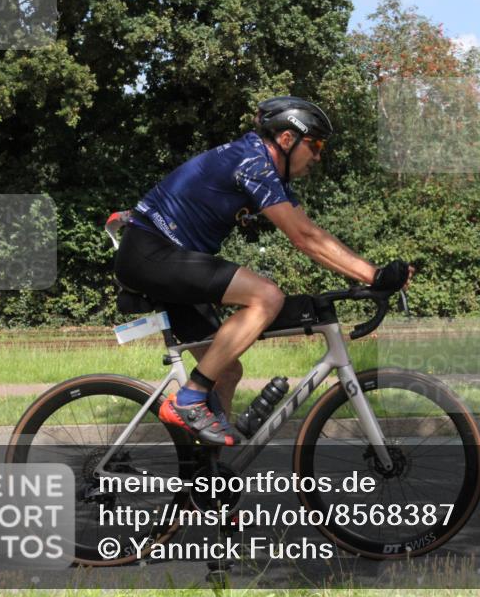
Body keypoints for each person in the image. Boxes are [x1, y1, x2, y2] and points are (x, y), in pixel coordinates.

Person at [114, 96, 413, 446]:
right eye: (315, 145)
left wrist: (370, 274)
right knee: (266, 297)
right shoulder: (253, 163)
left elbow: (312, 232)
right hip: (151, 252)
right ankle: (189, 398)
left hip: (166, 256)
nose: (318, 156)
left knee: (226, 372)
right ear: (287, 139)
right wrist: (374, 276)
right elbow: (304, 238)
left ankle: (206, 475)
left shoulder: (264, 169)